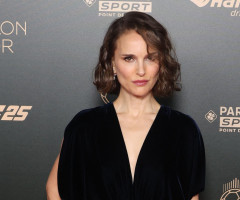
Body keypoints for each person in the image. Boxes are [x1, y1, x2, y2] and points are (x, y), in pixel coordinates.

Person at [46, 11, 205, 200]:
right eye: (129, 58)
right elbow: (54, 189)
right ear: (112, 63)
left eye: (150, 58)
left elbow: (191, 196)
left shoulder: (183, 130)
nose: (140, 70)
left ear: (161, 63)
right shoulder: (85, 127)